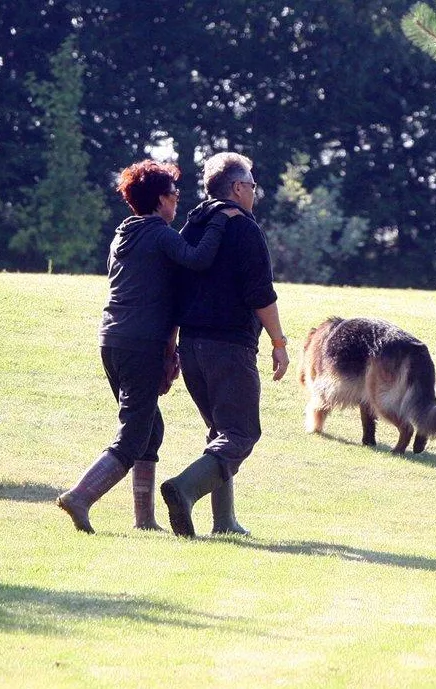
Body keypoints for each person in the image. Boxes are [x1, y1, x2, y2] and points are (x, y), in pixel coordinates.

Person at [57, 159, 240, 534]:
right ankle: (80, 496)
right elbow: (198, 259)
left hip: (112, 339)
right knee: (133, 434)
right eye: (174, 195)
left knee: (149, 427)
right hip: (140, 343)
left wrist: (168, 349)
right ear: (160, 199)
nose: (177, 202)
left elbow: (162, 292)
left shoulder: (123, 233)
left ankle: (145, 520)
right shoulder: (158, 232)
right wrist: (221, 219)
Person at [161, 152, 289, 538]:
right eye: (251, 184)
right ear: (236, 187)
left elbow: (174, 289)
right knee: (241, 433)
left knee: (220, 430)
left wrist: (172, 347)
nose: (254, 191)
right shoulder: (243, 228)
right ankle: (184, 489)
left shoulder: (191, 226)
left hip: (192, 345)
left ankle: (225, 521)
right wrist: (279, 343)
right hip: (229, 346)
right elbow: (260, 293)